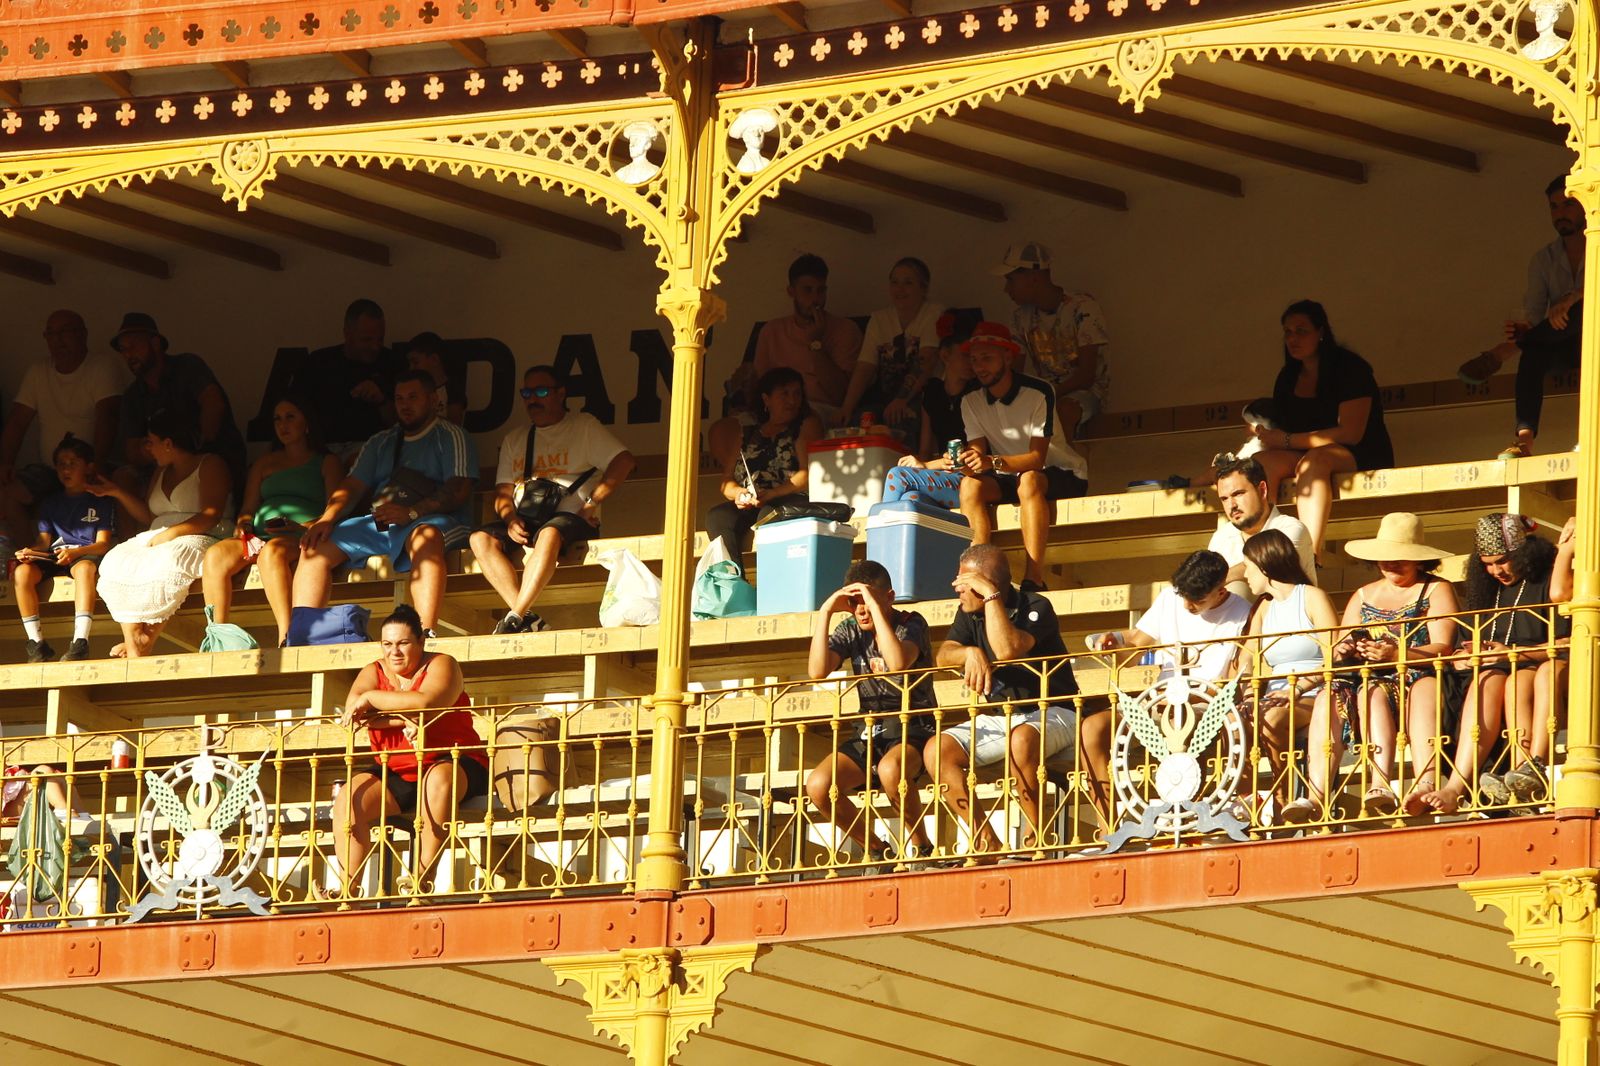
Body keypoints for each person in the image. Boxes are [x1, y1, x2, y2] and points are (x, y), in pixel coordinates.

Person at [293, 371, 478, 637]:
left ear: (433, 398)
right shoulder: (382, 441)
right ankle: (302, 636)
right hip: (381, 522)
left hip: (434, 521)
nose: (405, 404)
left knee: (425, 537)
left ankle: (425, 633)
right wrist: (327, 519)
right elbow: (352, 486)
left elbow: (458, 490)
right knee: (314, 548)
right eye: (399, 398)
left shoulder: (450, 435)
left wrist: (412, 512)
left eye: (413, 397)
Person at [1300, 514, 1458, 822]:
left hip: (1414, 675)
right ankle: (1315, 795)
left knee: (1373, 693)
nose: (1390, 565)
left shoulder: (1437, 590)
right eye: (1385, 559)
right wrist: (1345, 648)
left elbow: (1442, 647)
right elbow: (1339, 646)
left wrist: (1397, 653)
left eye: (1400, 559)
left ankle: (1380, 784)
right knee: (1326, 697)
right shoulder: (1363, 594)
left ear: (1419, 560)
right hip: (1361, 676)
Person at [924, 544, 1077, 858]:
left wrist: (991, 598)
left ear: (989, 586)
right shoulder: (969, 612)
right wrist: (970, 652)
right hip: (1004, 716)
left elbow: (1008, 648)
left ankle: (1038, 842)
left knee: (1020, 740)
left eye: (965, 583)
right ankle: (985, 842)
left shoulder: (1036, 606)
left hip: (1056, 708)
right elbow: (943, 655)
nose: (956, 588)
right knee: (937, 750)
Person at [1417, 513, 1573, 814]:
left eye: (1502, 561)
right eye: (1486, 564)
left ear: (1523, 553)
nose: (1495, 570)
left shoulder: (1547, 578)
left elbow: (1568, 642)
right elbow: (1464, 642)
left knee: (1524, 677)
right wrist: (1465, 657)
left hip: (1549, 666)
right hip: (1502, 672)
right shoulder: (1485, 592)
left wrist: (1509, 653)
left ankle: (1530, 769)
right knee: (1485, 680)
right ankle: (1454, 787)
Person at [331, 604, 489, 896]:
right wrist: (404, 715)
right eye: (387, 644)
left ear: (421, 642)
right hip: (396, 768)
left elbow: (428, 702)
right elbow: (355, 713)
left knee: (438, 781)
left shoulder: (443, 663)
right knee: (348, 799)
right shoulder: (373, 670)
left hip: (454, 759)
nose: (395, 652)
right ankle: (347, 891)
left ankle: (421, 881)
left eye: (404, 643)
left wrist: (372, 699)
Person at [470, 365, 635, 635]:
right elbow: (501, 492)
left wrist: (591, 503)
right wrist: (510, 520)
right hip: (526, 520)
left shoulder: (583, 426)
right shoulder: (516, 438)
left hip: (573, 519)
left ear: (561, 394)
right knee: (479, 538)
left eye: (541, 391)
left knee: (549, 533)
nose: (532, 399)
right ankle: (523, 615)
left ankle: (515, 615)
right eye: (526, 393)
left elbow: (624, 462)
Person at [1084, 550, 1251, 814]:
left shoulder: (1242, 613)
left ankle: (1185, 819)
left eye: (1196, 600)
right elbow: (1137, 645)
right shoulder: (1170, 598)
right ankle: (1107, 828)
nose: (1186, 606)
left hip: (1206, 705)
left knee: (1181, 723)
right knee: (1093, 728)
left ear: (1220, 592)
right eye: (1184, 597)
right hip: (1160, 702)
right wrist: (1113, 646)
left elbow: (1236, 677)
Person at [804, 560, 937, 863]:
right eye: (854, 603)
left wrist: (878, 614)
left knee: (892, 770)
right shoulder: (849, 628)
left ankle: (922, 848)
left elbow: (897, 662)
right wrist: (826, 612)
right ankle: (876, 848)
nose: (861, 610)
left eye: (869, 601)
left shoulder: (911, 622)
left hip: (914, 725)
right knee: (819, 785)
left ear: (889, 597)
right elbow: (817, 671)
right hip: (870, 729)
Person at [1247, 300, 1394, 563]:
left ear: (1321, 332)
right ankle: (1261, 550)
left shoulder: (1351, 369)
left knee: (1313, 463)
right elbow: (1285, 430)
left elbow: (1351, 433)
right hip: (1303, 451)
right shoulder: (1287, 376)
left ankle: (1310, 555)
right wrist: (1267, 436)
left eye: (1301, 330)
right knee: (1260, 463)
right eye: (1288, 332)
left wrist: (1288, 440)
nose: (1293, 338)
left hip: (1360, 453)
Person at [955, 321, 1088, 591]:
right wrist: (966, 463)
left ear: (1008, 356)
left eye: (987, 358)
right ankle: (976, 577)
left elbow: (1037, 458)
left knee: (1029, 479)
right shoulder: (970, 399)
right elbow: (978, 450)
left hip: (1061, 472)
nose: (980, 366)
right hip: (1009, 475)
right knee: (969, 485)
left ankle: (1034, 578)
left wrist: (989, 462)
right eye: (974, 359)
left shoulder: (1039, 391)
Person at [89, 409, 232, 658]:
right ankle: (134, 636)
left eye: (151, 442)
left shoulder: (209, 464)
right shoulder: (160, 471)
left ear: (168, 443)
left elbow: (211, 514)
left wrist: (173, 534)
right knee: (118, 559)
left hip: (202, 534)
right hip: (159, 535)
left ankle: (145, 638)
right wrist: (117, 492)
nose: (148, 449)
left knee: (170, 558)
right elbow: (149, 516)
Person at [201, 395, 342, 648]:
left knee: (272, 552)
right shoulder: (265, 463)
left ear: (307, 423)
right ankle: (218, 638)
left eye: (291, 417)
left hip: (302, 536)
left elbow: (336, 509)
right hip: (259, 537)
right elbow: (247, 508)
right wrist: (244, 525)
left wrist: (304, 526)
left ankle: (287, 635)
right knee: (215, 554)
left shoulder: (326, 461)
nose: (283, 424)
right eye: (277, 419)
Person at [1458, 177, 1584, 458]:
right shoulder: (1544, 259)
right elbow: (1535, 312)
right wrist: (1524, 329)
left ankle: (1506, 351)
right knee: (1532, 352)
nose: (1560, 213)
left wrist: (1573, 296)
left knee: (1582, 308)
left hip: (1594, 337)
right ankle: (1524, 441)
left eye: (1568, 204)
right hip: (1564, 343)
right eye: (1553, 207)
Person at [1235, 530, 1342, 823]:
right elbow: (1248, 656)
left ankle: (1282, 799)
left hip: (1316, 690)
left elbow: (1335, 655)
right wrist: (1246, 695)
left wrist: (1298, 689)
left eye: (1248, 566)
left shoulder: (1311, 597)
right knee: (1233, 722)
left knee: (1271, 721)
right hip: (1276, 694)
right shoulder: (1263, 608)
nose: (1244, 574)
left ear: (1265, 565)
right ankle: (1245, 804)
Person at [0, 310, 121, 551]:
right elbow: (17, 422)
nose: (58, 340)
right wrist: (5, 464)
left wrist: (95, 464)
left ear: (83, 334)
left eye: (65, 332)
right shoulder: (38, 371)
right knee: (8, 493)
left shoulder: (101, 366)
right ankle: (29, 558)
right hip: (50, 468)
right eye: (51, 334)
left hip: (89, 466)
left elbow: (107, 418)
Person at [112, 312, 246, 502]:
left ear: (156, 343)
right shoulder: (133, 395)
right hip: (163, 467)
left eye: (134, 346)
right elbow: (132, 450)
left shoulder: (187, 366)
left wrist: (194, 448)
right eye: (123, 350)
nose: (128, 355)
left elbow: (213, 404)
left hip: (209, 457)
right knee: (123, 477)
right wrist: (157, 449)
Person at [994, 240, 1109, 445]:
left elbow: (1086, 376)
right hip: (1044, 396)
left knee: (1065, 411)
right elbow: (1015, 371)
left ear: (1033, 278)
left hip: (1085, 394)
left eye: (1011, 280)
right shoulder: (1020, 317)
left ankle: (1065, 473)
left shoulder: (1082, 307)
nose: (1006, 289)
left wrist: (1044, 395)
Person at [12, 436, 115, 662]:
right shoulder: (50, 502)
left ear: (88, 467)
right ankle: (36, 643)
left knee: (85, 569)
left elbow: (103, 544)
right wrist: (29, 552)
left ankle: (80, 641)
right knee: (22, 572)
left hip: (82, 555)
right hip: (55, 556)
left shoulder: (100, 500)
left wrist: (76, 553)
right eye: (61, 463)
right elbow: (43, 543)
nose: (65, 469)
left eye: (72, 463)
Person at [705, 367, 822, 560]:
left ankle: (773, 579)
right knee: (717, 516)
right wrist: (739, 494)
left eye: (797, 394)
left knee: (769, 515)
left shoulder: (804, 425)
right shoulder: (747, 432)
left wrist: (772, 494)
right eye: (784, 394)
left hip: (789, 497)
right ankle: (732, 580)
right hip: (753, 501)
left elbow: (805, 473)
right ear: (766, 399)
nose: (792, 401)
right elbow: (727, 480)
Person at [837, 257, 945, 438]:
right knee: (857, 423)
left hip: (923, 397)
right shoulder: (879, 319)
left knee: (903, 421)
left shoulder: (934, 313)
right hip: (886, 400)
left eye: (908, 283)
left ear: (923, 288)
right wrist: (846, 408)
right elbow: (865, 366)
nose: (899, 289)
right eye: (894, 282)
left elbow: (926, 360)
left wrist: (902, 399)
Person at [752, 254, 863, 423]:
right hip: (776, 409)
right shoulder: (771, 331)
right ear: (791, 291)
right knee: (724, 429)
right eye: (807, 290)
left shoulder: (846, 330)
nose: (815, 299)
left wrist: (816, 344)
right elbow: (762, 385)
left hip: (821, 409)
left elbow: (841, 394)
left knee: (806, 422)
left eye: (820, 290)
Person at [290, 299, 406, 453]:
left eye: (380, 339)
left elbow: (406, 424)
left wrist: (381, 400)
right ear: (347, 334)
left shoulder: (393, 364)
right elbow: (294, 412)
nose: (375, 346)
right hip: (323, 450)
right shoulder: (318, 363)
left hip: (375, 449)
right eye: (367, 339)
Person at [884, 324, 976, 510]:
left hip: (970, 479)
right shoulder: (933, 391)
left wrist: (926, 465)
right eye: (965, 356)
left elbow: (967, 459)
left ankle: (878, 533)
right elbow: (925, 449)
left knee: (897, 475)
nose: (972, 363)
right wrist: (920, 462)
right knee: (911, 498)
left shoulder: (977, 394)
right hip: (942, 475)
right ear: (945, 355)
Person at [1208, 453, 1317, 600]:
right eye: (1224, 499)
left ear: (1262, 490)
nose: (1231, 505)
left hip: (1290, 621)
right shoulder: (1220, 538)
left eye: (1238, 494)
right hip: (1235, 620)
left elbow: (1262, 565)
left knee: (1236, 589)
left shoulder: (1291, 528)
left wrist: (1212, 583)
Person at [405, 332, 467, 426]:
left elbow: (454, 426)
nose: (411, 368)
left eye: (415, 362)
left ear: (434, 359)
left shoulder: (453, 390)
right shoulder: (415, 390)